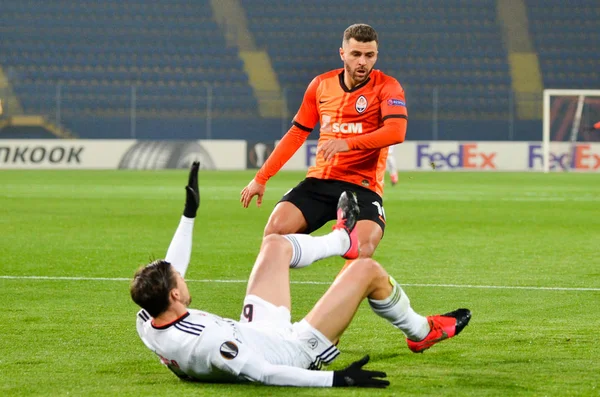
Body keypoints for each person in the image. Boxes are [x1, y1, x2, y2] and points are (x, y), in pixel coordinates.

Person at [131, 162, 472, 388]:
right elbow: (264, 374)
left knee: (275, 244)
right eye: (179, 280)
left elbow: (170, 269)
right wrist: (337, 380)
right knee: (365, 269)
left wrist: (189, 214)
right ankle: (421, 331)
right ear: (174, 295)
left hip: (255, 331)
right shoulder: (208, 343)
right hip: (290, 350)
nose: (183, 276)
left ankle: (341, 238)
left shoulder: (148, 318)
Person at [240, 23, 408, 269]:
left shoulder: (388, 86)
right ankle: (271, 306)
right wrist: (261, 177)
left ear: (376, 55)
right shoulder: (321, 85)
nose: (363, 62)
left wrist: (347, 143)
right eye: (356, 54)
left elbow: (396, 131)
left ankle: (333, 304)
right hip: (321, 182)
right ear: (342, 54)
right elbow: (297, 134)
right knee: (274, 235)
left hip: (363, 187)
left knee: (362, 252)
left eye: (369, 55)